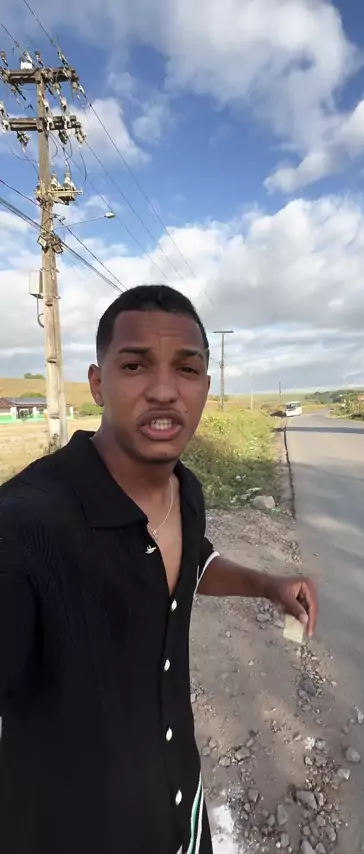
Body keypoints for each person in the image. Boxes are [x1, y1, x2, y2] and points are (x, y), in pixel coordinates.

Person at [0, 285, 317, 854]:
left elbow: (191, 560)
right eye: (135, 365)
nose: (165, 390)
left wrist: (266, 586)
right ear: (98, 383)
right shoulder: (27, 525)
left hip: (181, 808)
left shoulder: (184, 491)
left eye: (186, 369)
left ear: (205, 388)